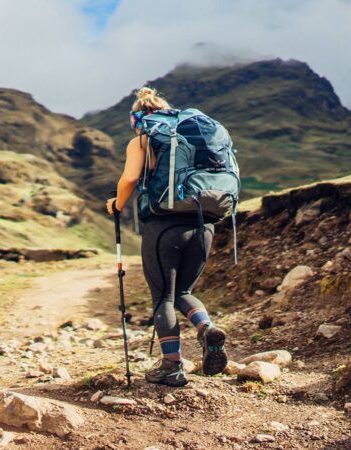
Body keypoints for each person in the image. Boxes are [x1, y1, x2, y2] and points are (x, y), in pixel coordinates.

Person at [106, 87, 228, 387]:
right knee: (184, 291)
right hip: (204, 224)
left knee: (163, 297)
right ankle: (206, 329)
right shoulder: (195, 136)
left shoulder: (143, 139)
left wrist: (116, 204)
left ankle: (172, 367)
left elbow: (131, 178)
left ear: (138, 117)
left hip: (164, 226)